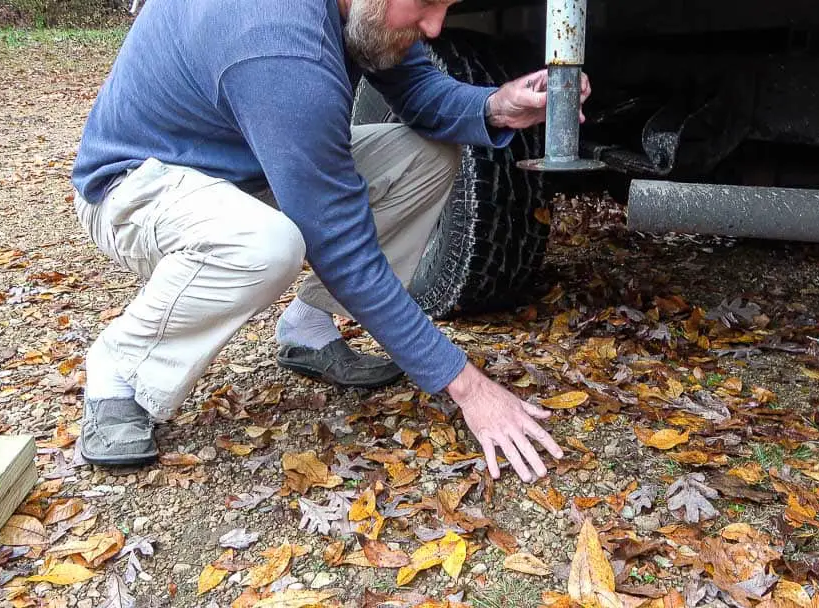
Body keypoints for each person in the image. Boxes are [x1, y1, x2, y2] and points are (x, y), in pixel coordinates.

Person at [69, 0, 591, 483]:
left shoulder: (364, 13)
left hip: (254, 170)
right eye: (426, 3)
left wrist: (498, 106)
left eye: (444, 6)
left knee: (428, 155)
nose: (434, 26)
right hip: (135, 189)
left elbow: (420, 95)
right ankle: (120, 376)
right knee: (265, 245)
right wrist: (468, 387)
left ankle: (308, 328)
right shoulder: (276, 40)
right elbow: (341, 245)